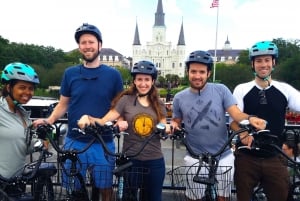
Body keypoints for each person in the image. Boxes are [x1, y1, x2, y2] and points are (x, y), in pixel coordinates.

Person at [33, 23, 123, 201]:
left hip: (102, 141)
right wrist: (49, 120)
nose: (87, 46)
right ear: (79, 47)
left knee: (105, 189)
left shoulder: (113, 75)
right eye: (83, 42)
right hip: (75, 141)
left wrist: (119, 120)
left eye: (91, 41)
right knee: (75, 190)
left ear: (100, 45)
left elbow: (118, 107)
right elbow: (63, 104)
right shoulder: (70, 73)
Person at [170, 50, 267, 201]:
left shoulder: (221, 90)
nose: (197, 76)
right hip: (195, 155)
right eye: (193, 71)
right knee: (194, 197)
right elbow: (176, 120)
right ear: (187, 72)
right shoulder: (179, 97)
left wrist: (250, 118)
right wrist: (173, 125)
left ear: (208, 73)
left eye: (202, 72)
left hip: (223, 154)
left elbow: (235, 114)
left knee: (223, 197)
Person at [77, 60, 170, 201]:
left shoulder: (159, 103)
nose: (143, 83)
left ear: (153, 81)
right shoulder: (125, 100)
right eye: (139, 79)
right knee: (128, 198)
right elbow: (103, 120)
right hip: (131, 160)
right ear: (134, 81)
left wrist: (167, 129)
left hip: (154, 160)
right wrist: (86, 117)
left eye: (147, 79)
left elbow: (164, 126)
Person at [232, 41, 300, 201]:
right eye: (259, 61)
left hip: (274, 155)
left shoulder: (285, 89)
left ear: (273, 62)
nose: (263, 65)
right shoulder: (242, 89)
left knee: (280, 195)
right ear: (253, 64)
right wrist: (243, 135)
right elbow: (234, 121)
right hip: (247, 156)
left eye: (267, 60)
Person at [0, 62, 40, 189]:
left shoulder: (23, 114)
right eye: (22, 87)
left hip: (15, 183)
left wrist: (37, 143)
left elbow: (22, 148)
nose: (28, 92)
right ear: (8, 87)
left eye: (31, 88)